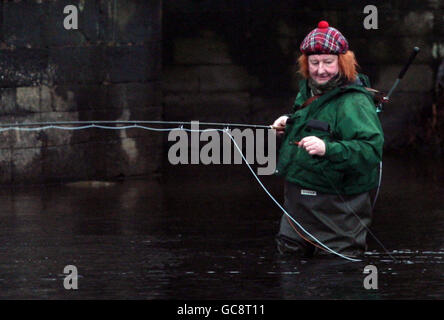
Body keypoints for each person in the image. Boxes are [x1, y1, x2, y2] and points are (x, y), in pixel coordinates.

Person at [272, 20, 384, 258]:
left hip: (338, 211)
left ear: (342, 63)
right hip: (297, 207)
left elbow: (370, 150)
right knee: (291, 269)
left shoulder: (355, 102)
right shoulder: (308, 90)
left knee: (335, 277)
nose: (320, 70)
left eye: (328, 62)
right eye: (314, 63)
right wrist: (289, 124)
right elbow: (313, 123)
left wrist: (327, 149)